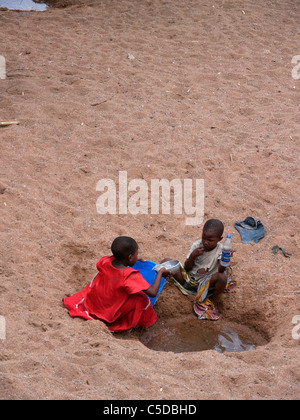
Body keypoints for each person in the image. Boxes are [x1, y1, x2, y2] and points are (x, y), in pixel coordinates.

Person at [63, 236, 172, 332]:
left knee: (99, 279)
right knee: (141, 298)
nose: (137, 256)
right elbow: (152, 292)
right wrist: (160, 272)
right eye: (136, 255)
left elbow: (116, 259)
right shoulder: (130, 276)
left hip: (93, 304)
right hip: (107, 314)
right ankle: (132, 325)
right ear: (129, 257)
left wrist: (135, 260)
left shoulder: (105, 261)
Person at [166, 219, 234, 320]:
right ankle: (180, 288)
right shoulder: (197, 245)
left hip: (207, 284)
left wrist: (226, 260)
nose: (206, 242)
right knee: (166, 261)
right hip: (189, 281)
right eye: (204, 238)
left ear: (219, 239)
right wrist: (193, 256)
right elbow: (187, 268)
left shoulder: (221, 250)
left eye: (210, 240)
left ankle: (212, 302)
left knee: (222, 277)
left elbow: (221, 270)